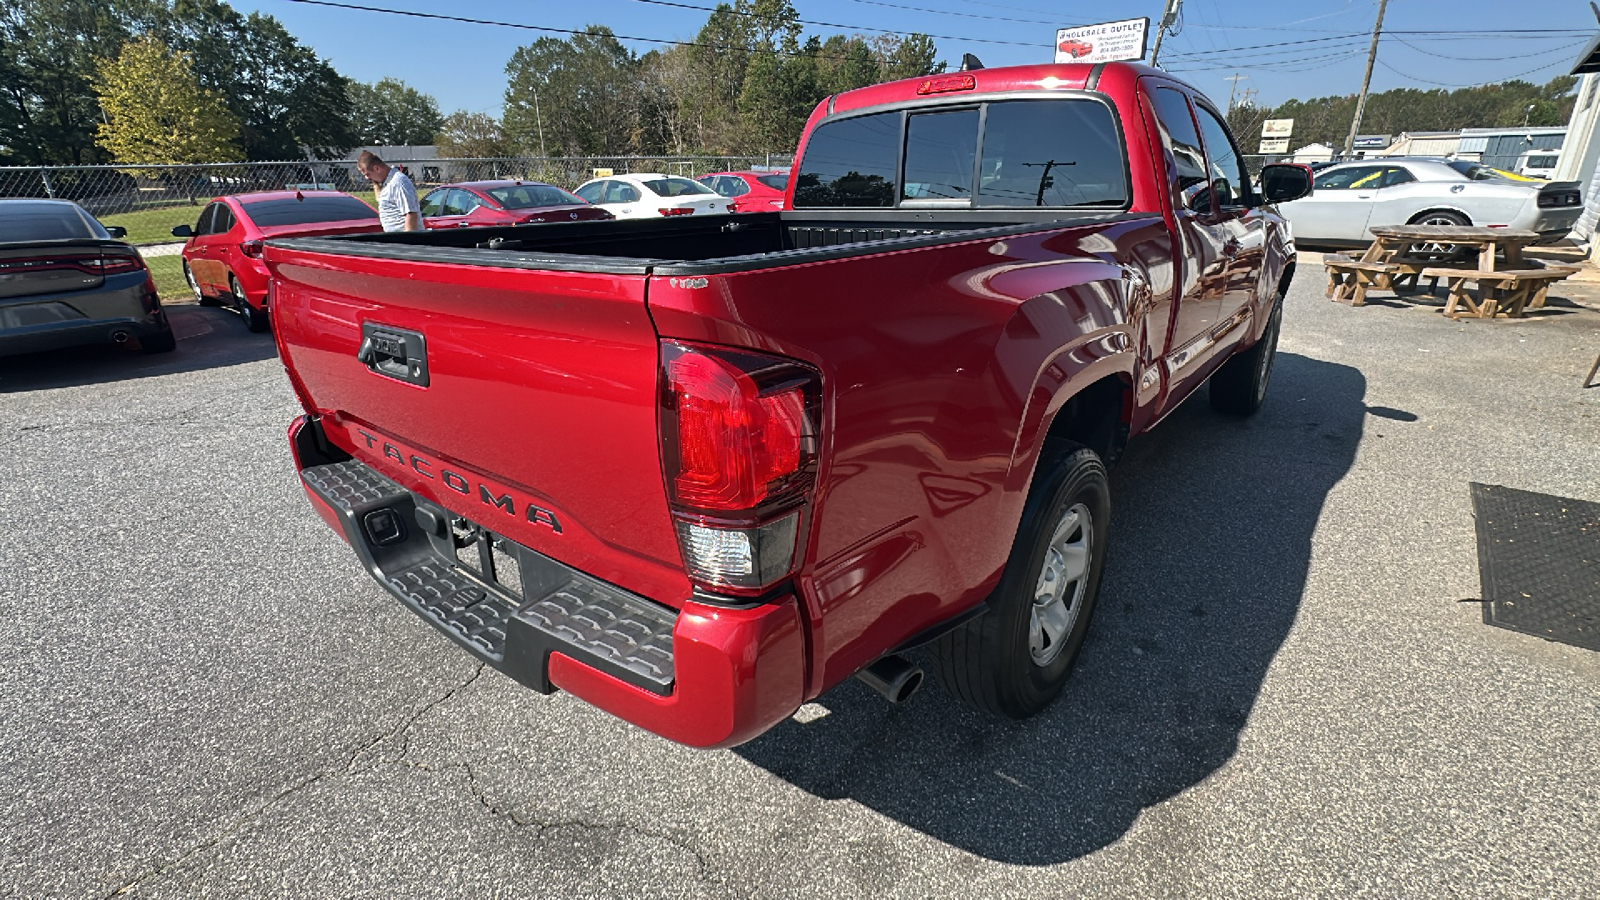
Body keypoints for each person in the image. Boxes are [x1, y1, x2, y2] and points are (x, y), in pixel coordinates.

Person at [357, 150, 421, 232]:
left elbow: (411, 214)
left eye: (367, 174)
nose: (367, 178)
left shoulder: (398, 182)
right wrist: (375, 184)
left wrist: (408, 241)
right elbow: (380, 199)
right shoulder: (387, 183)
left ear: (377, 168)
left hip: (404, 240)